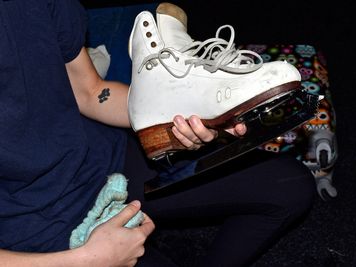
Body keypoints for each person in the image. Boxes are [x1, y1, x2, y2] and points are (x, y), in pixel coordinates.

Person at [0, 0, 316, 266]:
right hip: (30, 226)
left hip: (99, 159)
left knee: (288, 187)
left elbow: (89, 91)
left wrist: (187, 114)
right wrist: (87, 260)